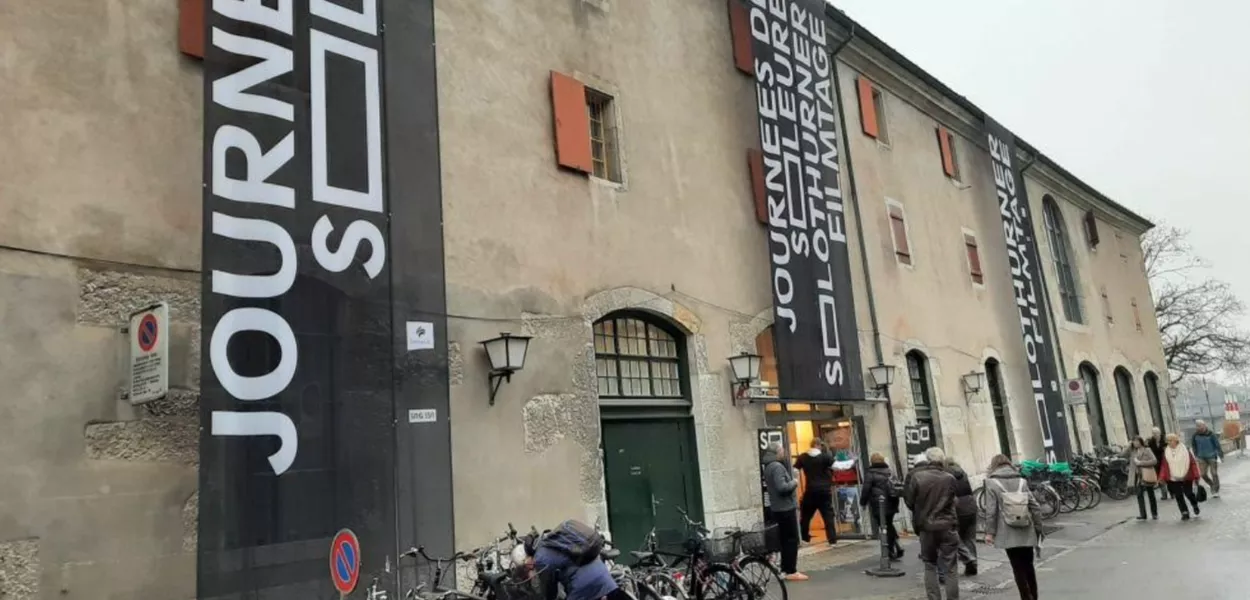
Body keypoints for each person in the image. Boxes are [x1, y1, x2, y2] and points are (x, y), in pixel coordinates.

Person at [983, 455, 1043, 600]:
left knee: (1017, 567)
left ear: (994, 466)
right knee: (1029, 566)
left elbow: (991, 511)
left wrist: (990, 533)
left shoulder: (991, 483)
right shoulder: (1022, 481)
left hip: (1007, 531)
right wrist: (1038, 527)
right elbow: (1035, 506)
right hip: (1026, 528)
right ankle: (1034, 596)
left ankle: (1025, 597)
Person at [904, 447, 960, 600]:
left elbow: (909, 501)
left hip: (926, 527)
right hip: (947, 525)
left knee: (929, 565)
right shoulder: (949, 478)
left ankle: (934, 598)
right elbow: (954, 500)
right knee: (950, 567)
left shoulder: (917, 477)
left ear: (928, 460)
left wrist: (922, 509)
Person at [525, 520, 626, 600]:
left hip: (582, 587)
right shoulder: (556, 539)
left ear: (530, 554)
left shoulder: (540, 558)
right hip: (604, 576)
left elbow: (549, 590)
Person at [763, 441, 808, 581]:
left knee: (784, 540)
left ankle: (784, 569)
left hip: (777, 508)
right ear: (776, 452)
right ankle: (791, 570)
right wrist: (795, 481)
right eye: (781, 450)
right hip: (785, 508)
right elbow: (782, 488)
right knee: (791, 540)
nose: (784, 452)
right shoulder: (777, 467)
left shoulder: (768, 466)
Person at [794, 438, 838, 546]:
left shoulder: (803, 457)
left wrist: (795, 481)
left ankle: (804, 538)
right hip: (824, 491)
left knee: (806, 516)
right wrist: (852, 462)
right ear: (818, 445)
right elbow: (838, 466)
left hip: (811, 490)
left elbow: (794, 470)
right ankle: (832, 540)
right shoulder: (825, 457)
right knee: (828, 516)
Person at [860, 452, 904, 560]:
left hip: (879, 504)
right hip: (892, 502)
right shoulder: (889, 471)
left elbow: (866, 490)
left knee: (884, 526)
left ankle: (890, 550)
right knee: (889, 524)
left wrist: (863, 503)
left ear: (871, 462)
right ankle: (897, 545)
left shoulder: (870, 473)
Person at [946, 458, 979, 576]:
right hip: (971, 505)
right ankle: (973, 565)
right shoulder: (962, 473)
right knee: (970, 538)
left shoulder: (946, 475)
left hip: (957, 507)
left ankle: (969, 558)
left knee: (954, 535)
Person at [1159, 432, 1202, 520]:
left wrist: (1196, 475)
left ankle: (1194, 504)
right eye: (1168, 441)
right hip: (1173, 477)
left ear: (1176, 440)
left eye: (1171, 440)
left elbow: (1192, 463)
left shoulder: (1185, 450)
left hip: (1186, 475)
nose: (1169, 442)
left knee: (1188, 493)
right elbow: (1164, 465)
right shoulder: (1166, 452)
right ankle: (1184, 512)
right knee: (1178, 495)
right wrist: (1161, 477)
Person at [1190, 420, 1223, 498]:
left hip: (1212, 457)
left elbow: (1217, 444)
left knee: (1214, 473)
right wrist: (1196, 454)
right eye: (1197, 426)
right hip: (1201, 457)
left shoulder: (1211, 434)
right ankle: (1211, 484)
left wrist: (1220, 455)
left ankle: (1216, 490)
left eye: (1200, 425)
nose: (1198, 427)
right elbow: (1194, 445)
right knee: (1203, 474)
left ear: (1204, 425)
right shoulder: (1195, 435)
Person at [1129, 436, 1158, 520]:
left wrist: (1141, 463)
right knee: (1139, 495)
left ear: (1140, 442)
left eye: (1136, 441)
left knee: (1150, 494)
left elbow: (1154, 461)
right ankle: (1143, 514)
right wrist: (1128, 445)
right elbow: (1122, 454)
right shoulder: (1133, 451)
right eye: (1133, 441)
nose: (1135, 443)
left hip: (1147, 474)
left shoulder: (1147, 450)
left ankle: (1154, 513)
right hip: (1138, 476)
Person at [1146, 427, 1169, 500]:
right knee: (1160, 478)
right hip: (1156, 462)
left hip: (1165, 461)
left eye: (1156, 433)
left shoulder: (1165, 440)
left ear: (1159, 433)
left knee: (1168, 477)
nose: (1155, 434)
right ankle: (1164, 494)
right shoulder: (1151, 442)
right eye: (1153, 433)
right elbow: (1148, 450)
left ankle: (1172, 492)